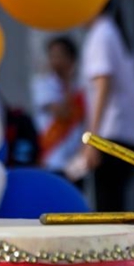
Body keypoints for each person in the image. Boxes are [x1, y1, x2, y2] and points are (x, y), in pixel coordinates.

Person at [78, 0, 134, 212]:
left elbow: (103, 85)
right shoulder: (112, 31)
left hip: (110, 134)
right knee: (114, 205)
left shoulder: (102, 34)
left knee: (108, 209)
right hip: (124, 133)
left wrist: (92, 137)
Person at [29, 36, 84, 181]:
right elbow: (62, 113)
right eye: (52, 56)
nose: (55, 61)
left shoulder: (80, 87)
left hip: (75, 162)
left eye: (60, 56)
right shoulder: (43, 84)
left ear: (71, 59)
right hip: (52, 158)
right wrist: (67, 82)